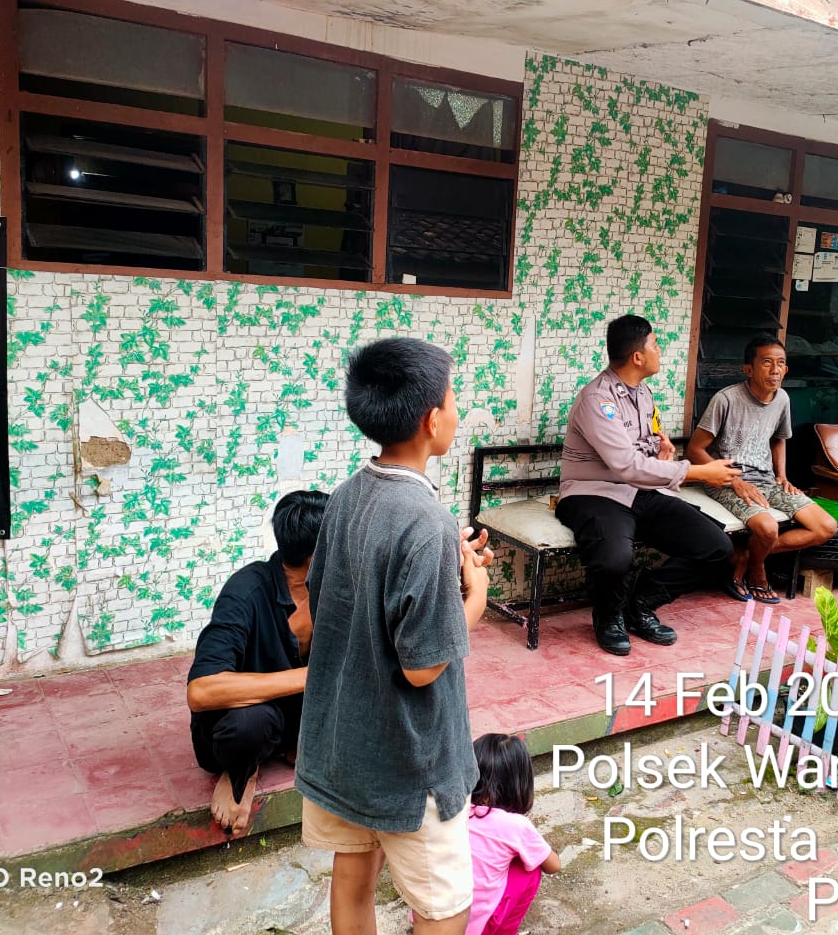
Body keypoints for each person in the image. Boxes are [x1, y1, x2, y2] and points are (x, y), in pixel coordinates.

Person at [296, 337, 494, 935]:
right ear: (432, 421)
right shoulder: (427, 521)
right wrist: (475, 594)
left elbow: (331, 603)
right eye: (453, 401)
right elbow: (422, 666)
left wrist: (444, 568)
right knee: (444, 905)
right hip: (410, 759)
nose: (456, 412)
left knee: (353, 877)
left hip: (343, 744)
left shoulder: (346, 496)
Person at [557, 314, 744, 656]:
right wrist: (700, 473)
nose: (660, 351)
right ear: (637, 357)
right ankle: (608, 615)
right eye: (655, 345)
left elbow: (642, 447)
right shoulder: (597, 400)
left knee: (716, 547)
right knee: (615, 559)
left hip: (641, 491)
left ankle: (639, 602)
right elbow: (626, 465)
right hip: (593, 493)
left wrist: (661, 451)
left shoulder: (642, 392)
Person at [186, 488, 328, 835]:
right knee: (248, 725)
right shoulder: (247, 590)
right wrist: (310, 676)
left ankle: (296, 746)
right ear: (316, 555)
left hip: (298, 715)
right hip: (250, 720)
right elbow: (201, 691)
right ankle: (243, 770)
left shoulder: (335, 589)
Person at [686, 335, 837, 605]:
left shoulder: (782, 399)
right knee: (767, 528)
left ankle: (747, 556)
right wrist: (735, 481)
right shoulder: (726, 399)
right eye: (767, 362)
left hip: (767, 480)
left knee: (825, 527)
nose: (775, 370)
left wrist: (782, 475)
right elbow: (695, 450)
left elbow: (779, 439)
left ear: (786, 369)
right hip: (725, 480)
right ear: (749, 369)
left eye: (780, 363)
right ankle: (758, 570)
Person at [466, 733, 561, 935]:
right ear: (519, 784)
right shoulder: (516, 826)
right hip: (474, 928)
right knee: (531, 868)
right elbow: (553, 866)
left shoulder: (455, 811)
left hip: (434, 917)